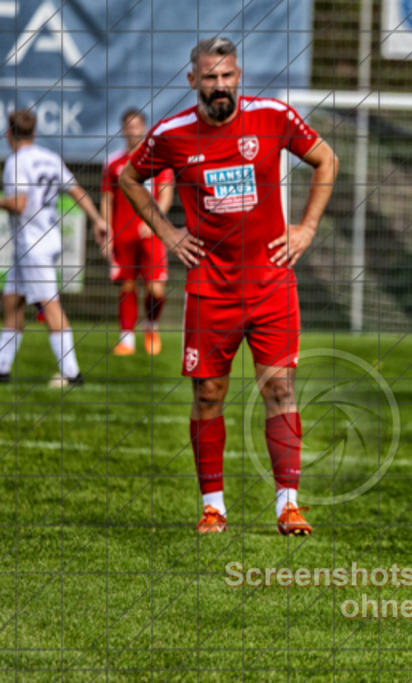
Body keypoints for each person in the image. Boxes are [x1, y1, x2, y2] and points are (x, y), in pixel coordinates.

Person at [120, 37, 338, 535]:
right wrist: (170, 233)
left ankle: (289, 506)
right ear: (192, 80)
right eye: (210, 78)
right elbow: (132, 179)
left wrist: (305, 228)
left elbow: (328, 160)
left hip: (271, 284)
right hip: (210, 289)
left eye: (228, 76)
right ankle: (213, 507)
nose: (220, 86)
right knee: (209, 395)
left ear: (239, 76)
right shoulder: (172, 134)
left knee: (280, 388)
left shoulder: (274, 117)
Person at [0, 109, 106, 387]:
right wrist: (97, 219)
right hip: (44, 240)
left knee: (50, 305)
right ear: (34, 132)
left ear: (9, 133)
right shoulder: (49, 158)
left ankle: (72, 373)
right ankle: (2, 366)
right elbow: (77, 190)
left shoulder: (15, 162)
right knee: (12, 300)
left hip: (32, 243)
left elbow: (19, 204)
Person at [101, 108, 175, 356]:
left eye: (136, 125)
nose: (132, 130)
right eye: (128, 126)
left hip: (151, 234)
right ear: (123, 130)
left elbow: (166, 194)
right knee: (127, 286)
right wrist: (107, 230)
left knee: (156, 289)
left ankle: (151, 326)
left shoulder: (157, 158)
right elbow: (107, 199)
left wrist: (153, 220)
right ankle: (127, 339)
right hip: (123, 233)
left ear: (144, 128)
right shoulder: (113, 163)